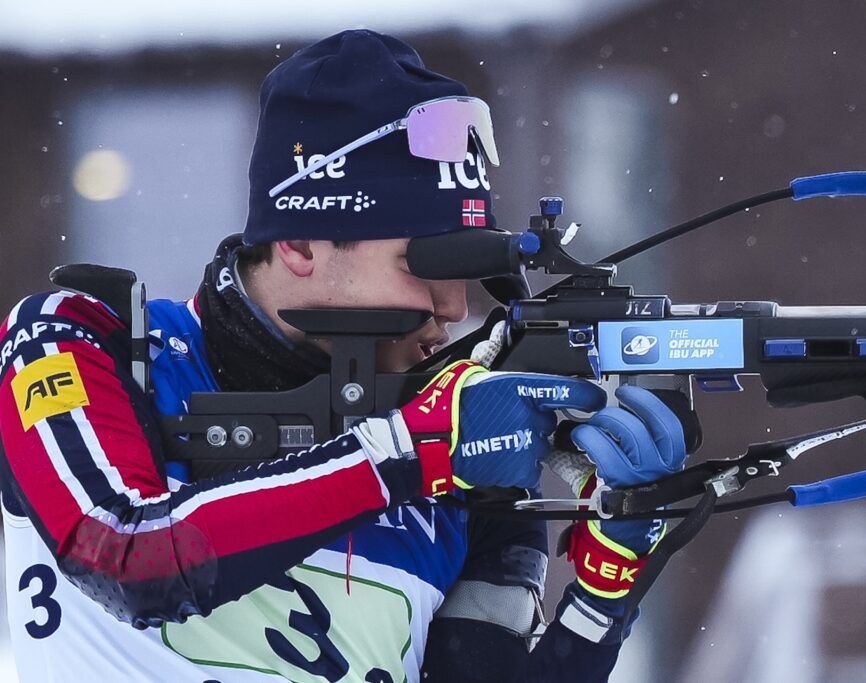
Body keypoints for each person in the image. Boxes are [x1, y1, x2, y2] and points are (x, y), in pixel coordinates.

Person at [0, 30, 691, 682]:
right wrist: (405, 452)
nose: (454, 307)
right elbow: (123, 549)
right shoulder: (81, 337)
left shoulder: (458, 454)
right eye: (426, 263)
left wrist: (607, 587)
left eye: (469, 270)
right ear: (300, 243)